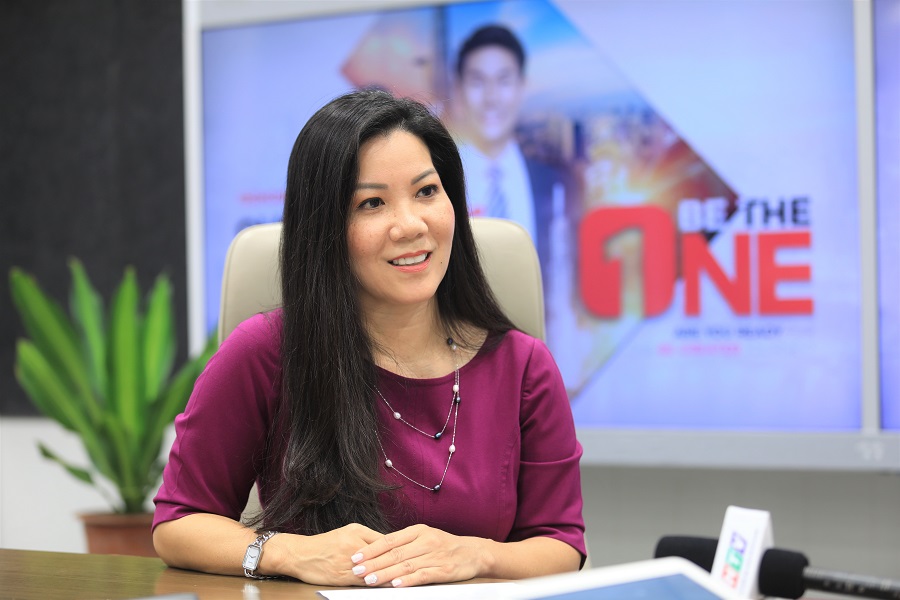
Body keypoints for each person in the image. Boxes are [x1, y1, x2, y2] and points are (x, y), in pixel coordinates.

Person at [152, 89, 585, 588]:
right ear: (325, 228)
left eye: (427, 191)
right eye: (372, 203)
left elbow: (561, 544)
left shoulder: (524, 367)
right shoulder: (265, 352)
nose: (411, 225)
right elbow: (178, 524)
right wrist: (290, 552)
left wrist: (477, 555)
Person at [453, 24, 571, 273]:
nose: (491, 98)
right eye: (477, 82)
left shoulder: (553, 181)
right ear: (459, 89)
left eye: (504, 81)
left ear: (522, 87)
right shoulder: (441, 182)